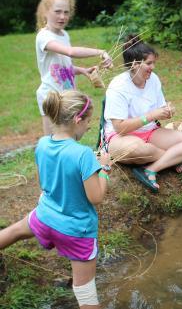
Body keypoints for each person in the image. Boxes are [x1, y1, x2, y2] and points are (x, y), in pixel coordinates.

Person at [0, 90, 111, 308]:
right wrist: (105, 168)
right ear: (78, 120)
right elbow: (96, 197)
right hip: (76, 232)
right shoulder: (83, 154)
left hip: (43, 218)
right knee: (85, 292)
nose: (89, 126)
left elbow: (44, 184)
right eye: (88, 121)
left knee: (13, 232)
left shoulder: (42, 143)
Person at [103, 35, 182, 193]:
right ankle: (173, 158)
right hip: (119, 137)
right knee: (141, 150)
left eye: (153, 63)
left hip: (150, 132)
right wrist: (150, 116)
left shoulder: (153, 79)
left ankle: (151, 169)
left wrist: (167, 110)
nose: (153, 67)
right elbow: (120, 128)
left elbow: (160, 109)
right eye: (149, 63)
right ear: (135, 64)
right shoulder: (118, 86)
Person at [35, 0, 112, 135]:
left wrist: (82, 71)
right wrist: (100, 52)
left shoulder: (64, 35)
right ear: (45, 12)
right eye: (57, 11)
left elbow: (61, 66)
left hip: (67, 97)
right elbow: (70, 52)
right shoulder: (43, 36)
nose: (62, 16)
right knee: (51, 141)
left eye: (66, 12)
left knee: (68, 138)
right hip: (51, 96)